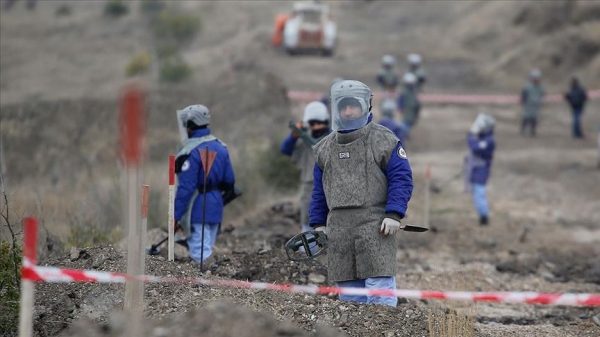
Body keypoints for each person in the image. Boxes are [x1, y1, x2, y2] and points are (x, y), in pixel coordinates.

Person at [309, 80, 413, 307]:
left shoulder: (384, 140)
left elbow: (401, 179)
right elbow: (318, 191)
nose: (348, 111)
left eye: (353, 105)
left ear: (365, 106)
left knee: (379, 293)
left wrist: (394, 214)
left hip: (375, 227)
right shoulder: (324, 148)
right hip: (338, 230)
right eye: (343, 106)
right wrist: (318, 224)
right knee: (349, 299)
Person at [174, 105, 236, 268]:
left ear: (191, 124)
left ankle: (206, 289)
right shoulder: (221, 146)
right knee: (206, 248)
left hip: (197, 206)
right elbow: (229, 180)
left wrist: (175, 216)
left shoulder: (191, 150)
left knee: (199, 255)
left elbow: (186, 188)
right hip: (216, 205)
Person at [281, 101, 331, 233]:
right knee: (308, 219)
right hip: (309, 184)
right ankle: (309, 250)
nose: (316, 126)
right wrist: (294, 135)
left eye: (319, 123)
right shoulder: (304, 139)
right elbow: (285, 149)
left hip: (331, 183)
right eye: (313, 123)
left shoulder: (332, 137)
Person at [466, 113, 496, 226]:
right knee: (476, 192)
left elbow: (475, 147)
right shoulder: (483, 137)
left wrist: (471, 135)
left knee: (479, 192)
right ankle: (481, 214)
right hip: (476, 169)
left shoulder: (489, 140)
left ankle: (484, 216)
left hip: (482, 170)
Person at [520, 69, 545, 137]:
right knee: (526, 117)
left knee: (534, 118)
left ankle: (532, 130)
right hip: (528, 104)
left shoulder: (540, 87)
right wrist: (523, 101)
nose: (536, 79)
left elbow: (542, 94)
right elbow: (524, 94)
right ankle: (523, 129)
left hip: (535, 104)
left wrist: (541, 101)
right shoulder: (527, 87)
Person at [397, 72, 421, 138]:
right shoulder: (404, 92)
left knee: (410, 123)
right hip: (407, 111)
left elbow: (416, 103)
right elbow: (400, 100)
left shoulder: (413, 92)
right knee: (406, 123)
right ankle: (404, 135)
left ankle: (405, 134)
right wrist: (400, 108)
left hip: (412, 111)